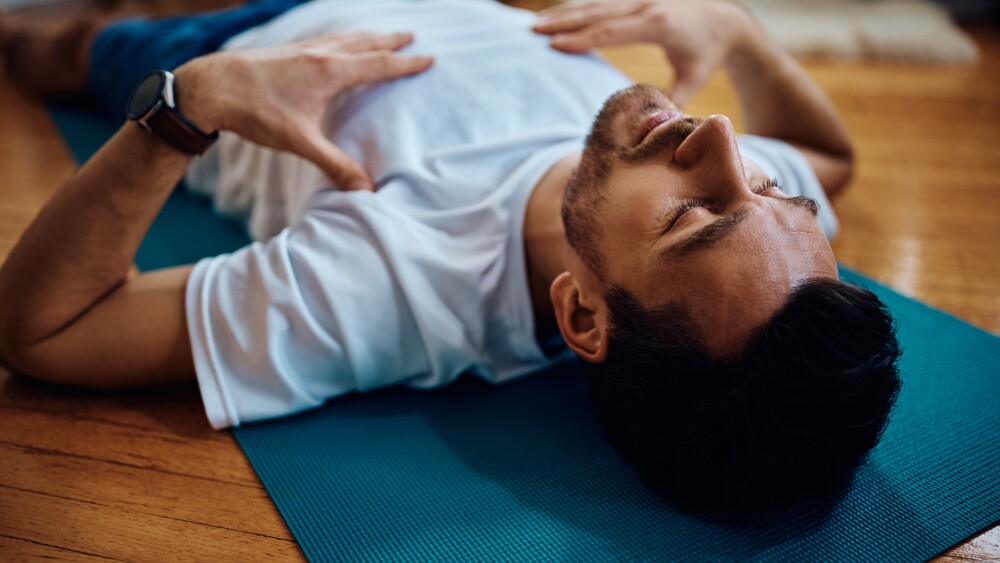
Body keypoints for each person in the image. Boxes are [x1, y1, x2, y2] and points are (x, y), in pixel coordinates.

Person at [0, 0, 901, 511]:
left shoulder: (399, 280)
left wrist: (192, 101)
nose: (720, 135)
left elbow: (43, 328)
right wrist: (740, 29)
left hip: (239, 40)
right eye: (770, 192)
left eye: (694, 213)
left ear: (582, 314)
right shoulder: (771, 228)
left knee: (73, 40)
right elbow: (833, 159)